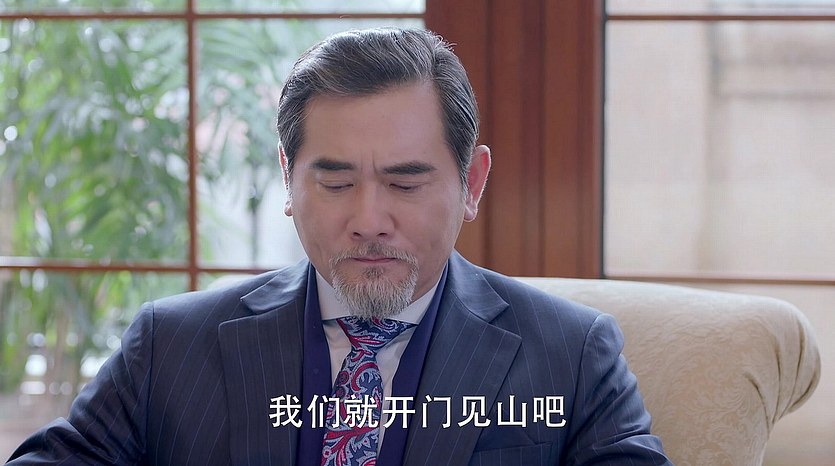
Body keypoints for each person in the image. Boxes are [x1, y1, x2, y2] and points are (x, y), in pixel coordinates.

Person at [7, 27, 670, 465]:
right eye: (335, 182)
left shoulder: (571, 357)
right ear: (287, 179)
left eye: (405, 182)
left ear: (472, 183)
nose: (368, 219)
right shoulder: (171, 347)